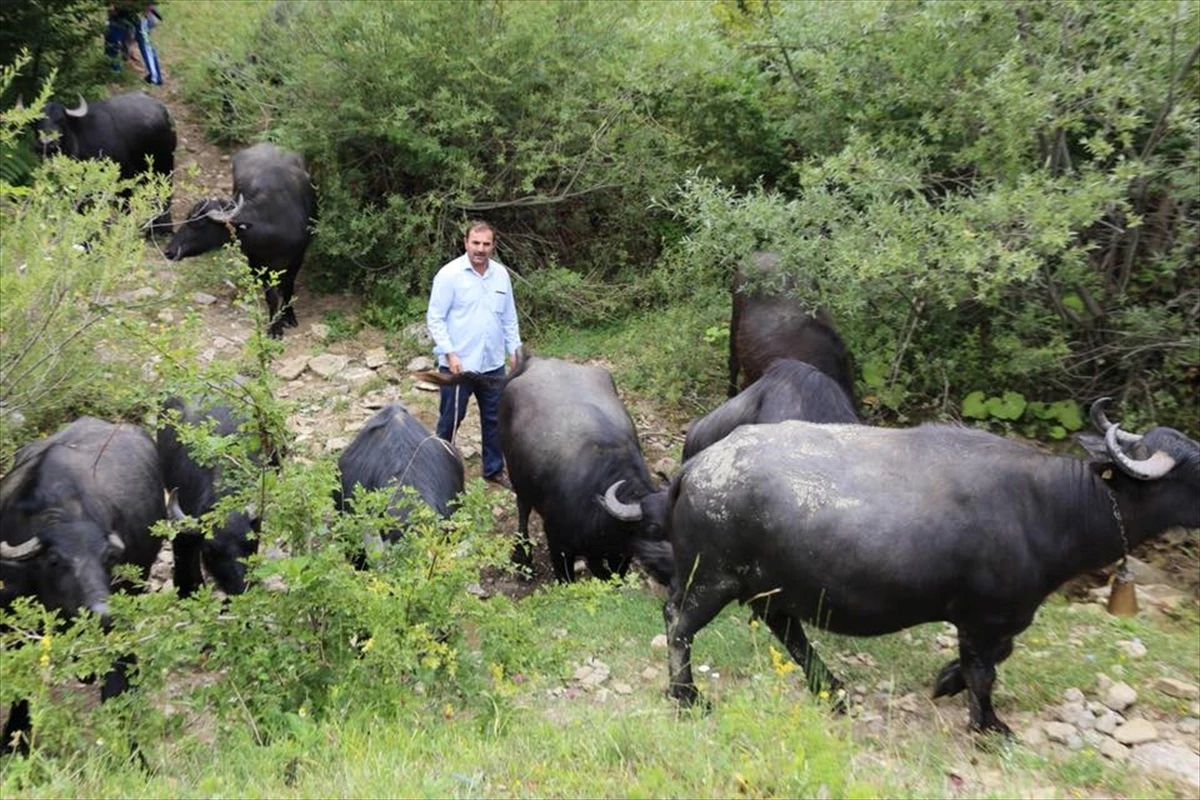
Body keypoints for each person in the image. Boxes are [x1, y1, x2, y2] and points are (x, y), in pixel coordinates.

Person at [426, 221, 522, 489]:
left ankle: (493, 470)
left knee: (495, 419)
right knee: (450, 419)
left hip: (492, 364)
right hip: (459, 365)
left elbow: (509, 317)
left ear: (493, 245)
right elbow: (435, 318)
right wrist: (450, 353)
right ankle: (439, 468)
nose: (480, 249)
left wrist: (515, 350)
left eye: (486, 244)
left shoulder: (501, 275)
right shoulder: (449, 275)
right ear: (466, 242)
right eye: (476, 243)